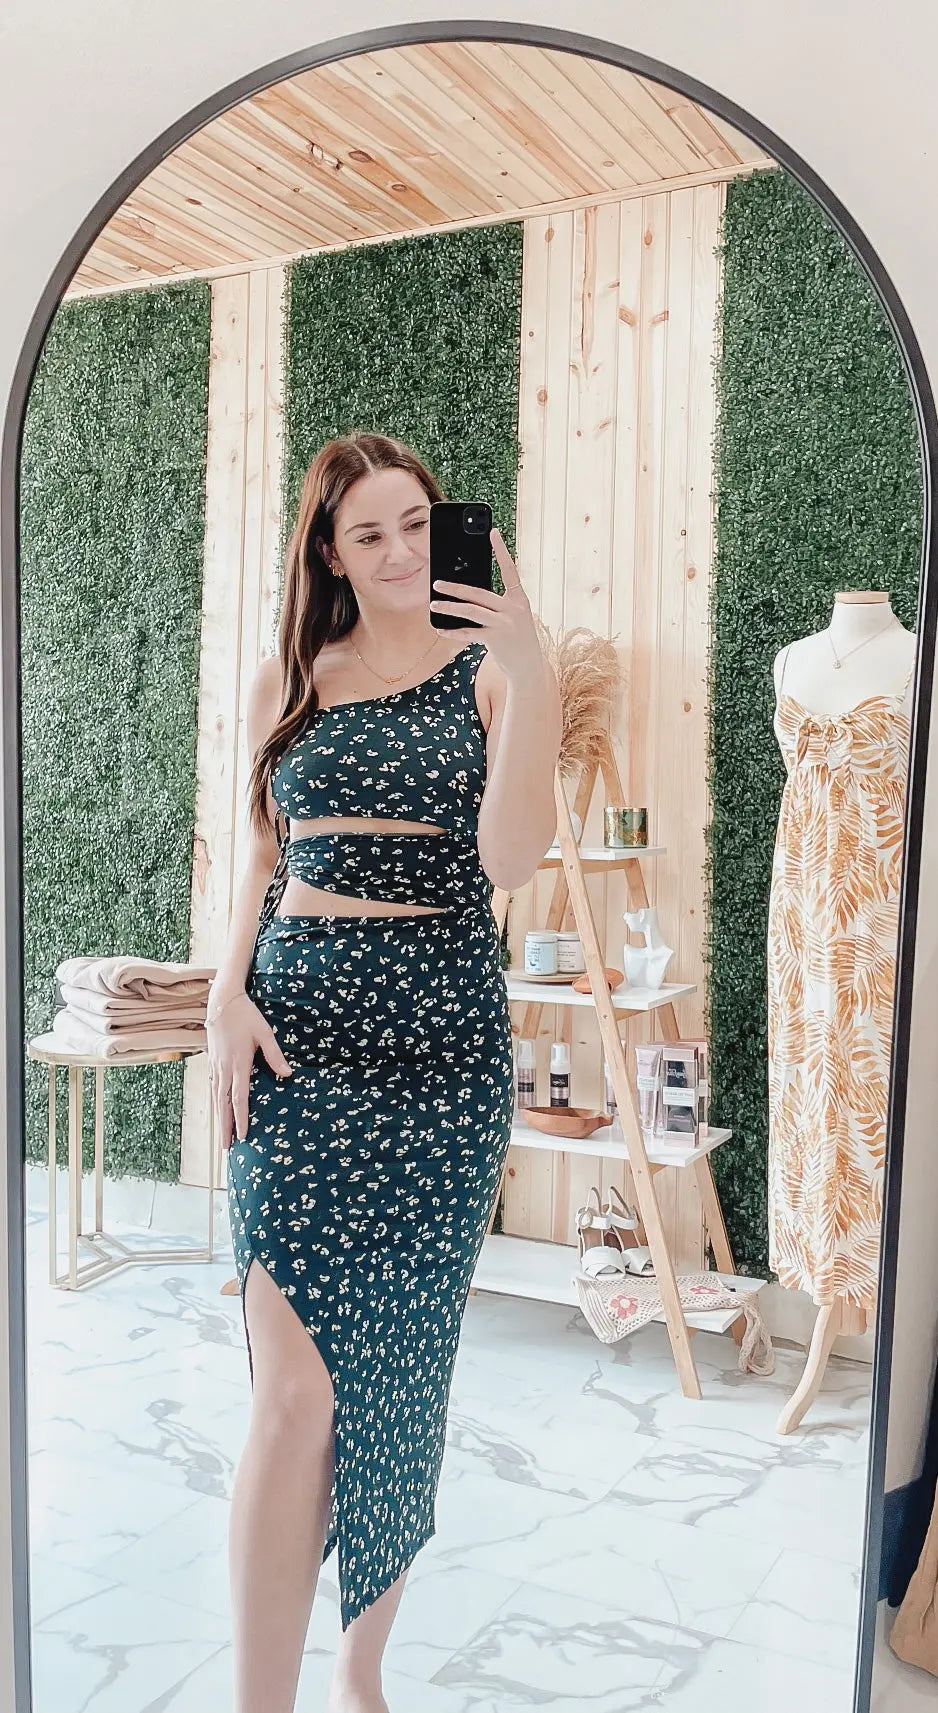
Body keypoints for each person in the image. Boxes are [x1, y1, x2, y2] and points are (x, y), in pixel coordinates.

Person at [206, 432, 562, 1713]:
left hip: (440, 1053)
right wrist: (224, 996)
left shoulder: (492, 672)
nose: (402, 551)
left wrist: (531, 666)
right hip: (296, 1039)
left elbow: (510, 860)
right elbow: (258, 855)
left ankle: (360, 1670)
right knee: (292, 1392)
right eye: (369, 533)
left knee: (400, 1376)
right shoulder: (289, 678)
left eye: (416, 523)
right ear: (329, 552)